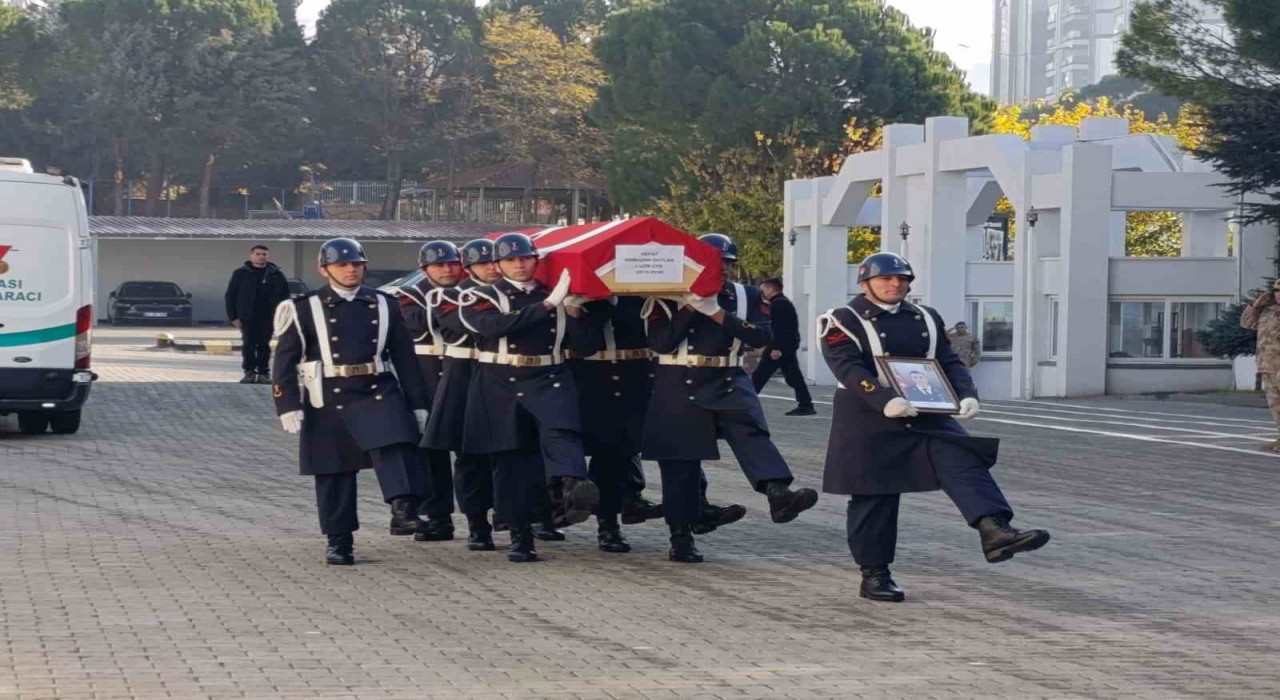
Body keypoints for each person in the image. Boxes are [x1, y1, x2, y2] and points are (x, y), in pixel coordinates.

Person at [817, 252, 1050, 602]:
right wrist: (884, 400)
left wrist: (966, 395)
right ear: (865, 283)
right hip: (867, 415)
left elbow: (948, 361)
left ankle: (995, 531)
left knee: (962, 459)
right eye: (886, 279)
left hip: (927, 409)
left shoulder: (925, 316)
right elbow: (847, 368)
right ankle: (874, 575)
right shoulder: (842, 319)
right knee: (874, 496)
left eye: (902, 279)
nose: (895, 284)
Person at [642, 232, 819, 563]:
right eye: (712, 262)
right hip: (679, 378)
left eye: (726, 263)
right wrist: (690, 307)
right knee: (680, 461)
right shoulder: (665, 296)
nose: (720, 269)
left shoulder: (747, 295)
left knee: (752, 431)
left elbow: (763, 336)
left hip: (728, 375)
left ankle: (778, 493)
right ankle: (681, 535)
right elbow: (662, 343)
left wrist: (717, 312)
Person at [271, 237, 432, 565]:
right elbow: (284, 361)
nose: (350, 270)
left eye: (356, 264)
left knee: (398, 442)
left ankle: (403, 508)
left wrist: (418, 404)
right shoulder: (304, 307)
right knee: (334, 470)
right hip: (329, 394)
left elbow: (405, 358)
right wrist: (287, 404)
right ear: (324, 269)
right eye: (342, 264)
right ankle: (339, 539)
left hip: (377, 387)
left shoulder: (385, 303)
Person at [458, 232, 600, 563]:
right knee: (512, 461)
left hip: (550, 375)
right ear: (497, 264)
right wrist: (549, 305)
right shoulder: (481, 296)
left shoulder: (557, 295)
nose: (520, 264)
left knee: (563, 433)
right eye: (511, 259)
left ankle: (572, 490)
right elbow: (494, 327)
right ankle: (521, 535)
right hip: (500, 381)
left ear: (536, 260)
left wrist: (575, 314)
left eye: (525, 258)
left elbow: (587, 346)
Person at [420, 239, 501, 549]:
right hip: (465, 379)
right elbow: (478, 325)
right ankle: (477, 524)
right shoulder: (453, 296)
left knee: (509, 457)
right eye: (484, 263)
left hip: (503, 378)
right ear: (470, 268)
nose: (493, 267)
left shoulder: (515, 294)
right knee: (471, 458)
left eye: (496, 262)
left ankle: (514, 516)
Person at [397, 241, 466, 542]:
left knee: (473, 453)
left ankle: (487, 514)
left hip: (463, 377)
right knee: (431, 453)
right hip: (426, 379)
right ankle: (439, 518)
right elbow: (417, 323)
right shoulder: (409, 296)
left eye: (452, 263)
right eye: (439, 265)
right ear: (424, 269)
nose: (447, 269)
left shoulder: (473, 290)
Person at [225, 245, 290, 384]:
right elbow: (230, 296)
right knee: (248, 344)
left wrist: (282, 317)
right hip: (247, 316)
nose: (261, 256)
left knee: (264, 345)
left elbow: (285, 297)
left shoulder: (275, 274)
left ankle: (263, 373)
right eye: (258, 254)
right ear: (251, 255)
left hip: (268, 317)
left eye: (264, 254)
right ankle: (249, 373)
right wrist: (234, 317)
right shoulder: (241, 273)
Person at [751, 278, 815, 415]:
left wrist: (775, 348)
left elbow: (779, 328)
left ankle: (745, 403)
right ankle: (806, 404)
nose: (762, 293)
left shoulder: (778, 304)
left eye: (763, 289)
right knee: (794, 376)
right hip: (787, 345)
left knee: (759, 375)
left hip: (779, 346)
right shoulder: (783, 303)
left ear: (770, 288)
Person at [1241, 280, 1280, 451]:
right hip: (1267, 366)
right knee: (1276, 404)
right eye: (1277, 290)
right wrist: (1255, 305)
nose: (1279, 293)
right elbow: (1246, 323)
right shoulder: (1268, 312)